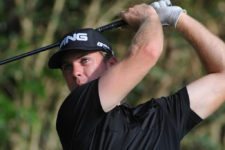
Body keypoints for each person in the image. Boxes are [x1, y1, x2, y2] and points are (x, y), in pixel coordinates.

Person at [48, 0, 225, 149]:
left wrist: (177, 17)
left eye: (84, 61)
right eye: (67, 67)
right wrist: (149, 17)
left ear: (111, 65)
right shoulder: (74, 114)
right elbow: (148, 51)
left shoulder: (162, 117)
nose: (75, 73)